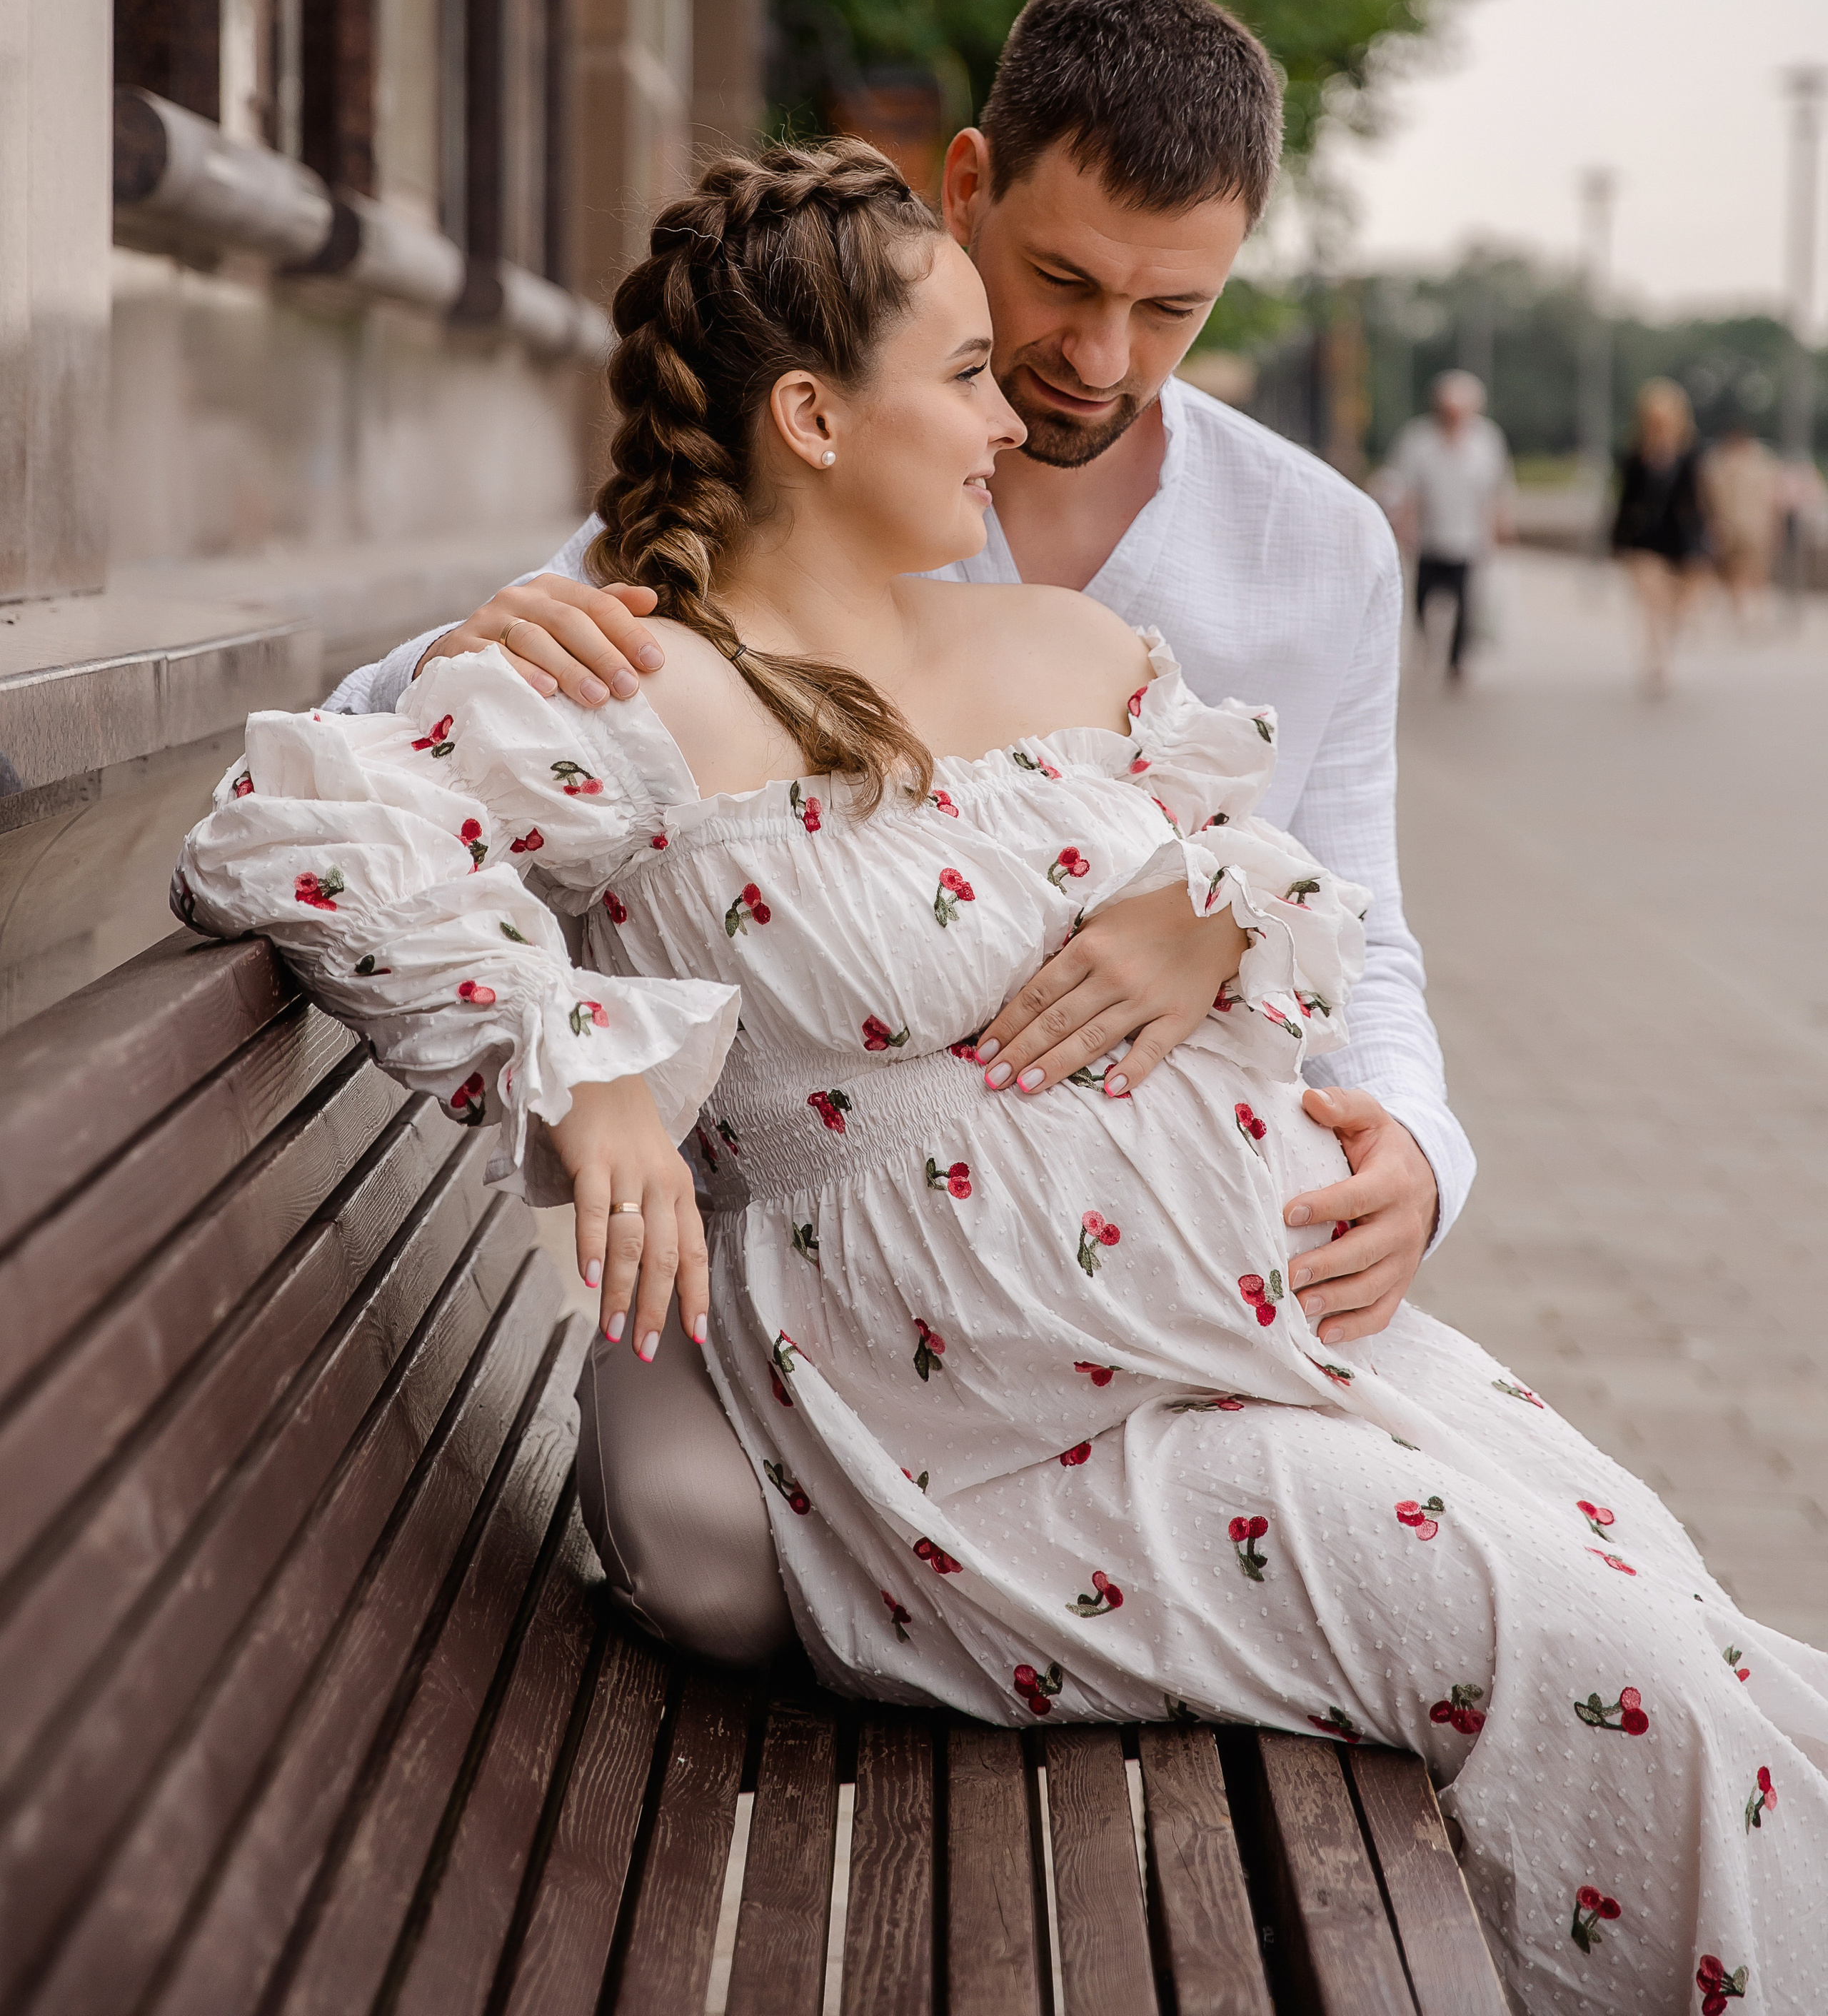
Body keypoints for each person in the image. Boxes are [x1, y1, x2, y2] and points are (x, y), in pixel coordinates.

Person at [179, 142, 1828, 2016]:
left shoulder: (1078, 652)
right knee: (1590, 1656)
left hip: (1265, 1335)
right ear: (810, 411)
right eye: (962, 371)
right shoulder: (636, 682)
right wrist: (593, 1072)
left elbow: (1300, 905)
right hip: (996, 1437)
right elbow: (288, 824)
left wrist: (1215, 912)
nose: (1013, 416)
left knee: (1686, 1634)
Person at [1383, 371, 1515, 683]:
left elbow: (1497, 488)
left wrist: (1500, 526)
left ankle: (1457, 661)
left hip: (1469, 537)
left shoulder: (1486, 440)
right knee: (1423, 597)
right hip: (1429, 536)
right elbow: (1405, 488)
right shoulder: (1418, 439)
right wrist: (1405, 526)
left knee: (1465, 602)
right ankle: (1426, 643)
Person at [1611, 380, 1707, 695]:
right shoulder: (1636, 456)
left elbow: (1697, 503)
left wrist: (1702, 544)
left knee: (1678, 606)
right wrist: (1618, 541)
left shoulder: (1690, 455)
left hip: (1678, 540)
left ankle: (1666, 649)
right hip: (1644, 540)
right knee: (1654, 602)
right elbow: (1623, 502)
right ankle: (1657, 658)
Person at [1702, 423, 1783, 619]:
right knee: (1734, 570)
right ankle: (1741, 611)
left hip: (1755, 526)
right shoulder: (1720, 462)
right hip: (1732, 526)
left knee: (1757, 570)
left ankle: (1756, 610)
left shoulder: (1761, 461)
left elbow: (1772, 497)